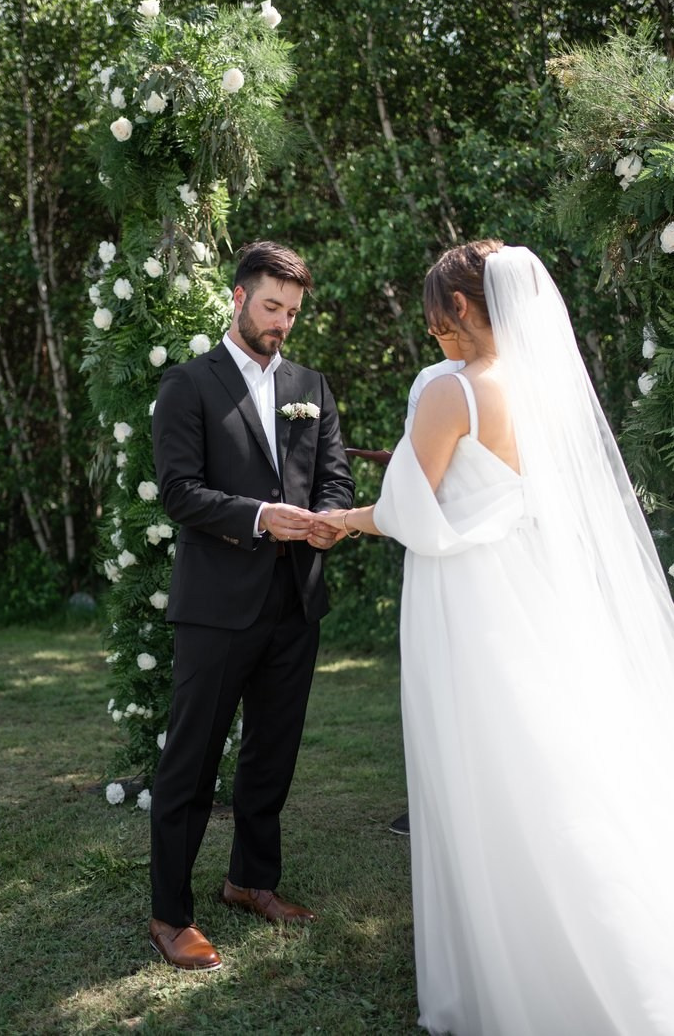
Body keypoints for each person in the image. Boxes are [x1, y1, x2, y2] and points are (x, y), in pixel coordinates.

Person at [314, 240, 674, 1035]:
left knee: (480, 764)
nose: (432, 331)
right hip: (535, 588)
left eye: (437, 316)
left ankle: (518, 968)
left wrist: (341, 517)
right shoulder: (548, 389)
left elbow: (410, 507)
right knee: (548, 756)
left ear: (465, 308)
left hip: (469, 597)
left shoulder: (454, 392)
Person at [149, 240, 354, 972]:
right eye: (272, 307)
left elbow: (331, 474)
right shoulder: (188, 385)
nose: (282, 323)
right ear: (238, 298)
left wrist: (329, 519)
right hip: (215, 606)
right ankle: (170, 913)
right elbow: (178, 491)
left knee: (273, 752)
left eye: (293, 311)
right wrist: (263, 516)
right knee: (192, 759)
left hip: (296, 599)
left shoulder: (311, 383)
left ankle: (251, 880)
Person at [348, 356, 466, 839]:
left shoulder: (441, 385)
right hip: (471, 549)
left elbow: (413, 492)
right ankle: (439, 800)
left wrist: (342, 521)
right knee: (447, 679)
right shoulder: (432, 379)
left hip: (456, 552)